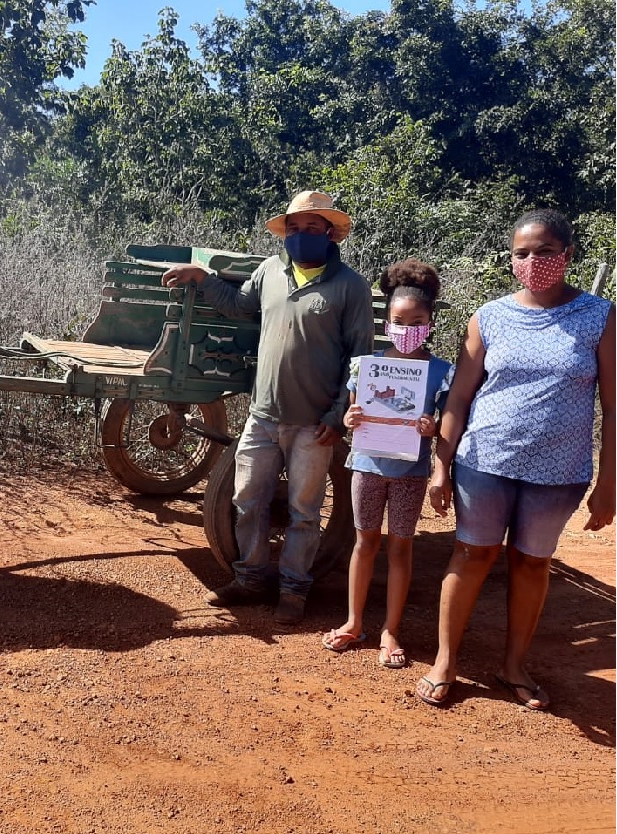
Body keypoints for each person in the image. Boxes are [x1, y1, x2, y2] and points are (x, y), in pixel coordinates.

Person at [415, 207, 615, 709]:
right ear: (511, 260)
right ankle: (445, 661)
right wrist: (442, 466)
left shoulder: (600, 317)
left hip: (559, 471)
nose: (533, 261)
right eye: (522, 253)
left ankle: (513, 666)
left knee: (531, 563)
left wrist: (609, 483)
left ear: (567, 254)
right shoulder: (489, 317)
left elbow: (613, 408)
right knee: (472, 554)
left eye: (545, 251)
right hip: (484, 461)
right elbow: (458, 399)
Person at [162, 191, 374, 625]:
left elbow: (361, 359)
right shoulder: (271, 270)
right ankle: (251, 579)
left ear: (329, 233)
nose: (300, 236)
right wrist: (201, 277)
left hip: (315, 424)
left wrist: (337, 418)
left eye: (311, 229)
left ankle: (294, 591)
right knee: (246, 499)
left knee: (303, 511)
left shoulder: (351, 286)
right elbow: (240, 307)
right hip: (263, 416)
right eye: (294, 229)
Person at [322, 259, 453, 668]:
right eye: (399, 319)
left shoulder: (442, 372)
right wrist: (350, 419)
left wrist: (433, 429)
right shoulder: (366, 366)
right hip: (367, 466)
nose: (408, 327)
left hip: (410, 474)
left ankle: (390, 629)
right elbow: (350, 414)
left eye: (417, 320)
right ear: (386, 321)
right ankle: (354, 621)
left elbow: (447, 426)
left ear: (430, 321)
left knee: (400, 547)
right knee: (364, 543)